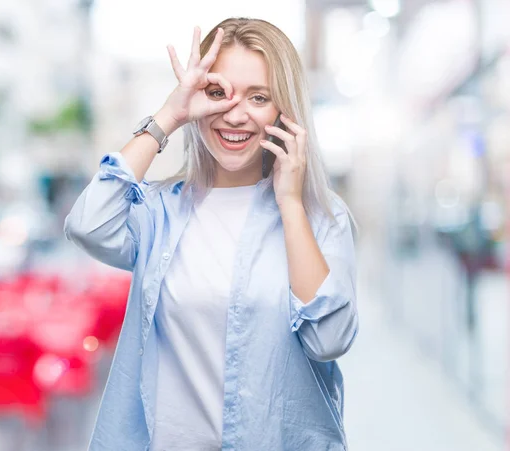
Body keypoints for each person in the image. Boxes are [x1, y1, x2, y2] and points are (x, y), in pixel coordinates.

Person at [65, 17, 358, 451]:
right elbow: (88, 225)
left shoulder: (320, 216)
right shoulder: (160, 210)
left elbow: (329, 341)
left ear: (285, 111)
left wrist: (291, 203)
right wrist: (168, 116)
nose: (234, 114)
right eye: (217, 93)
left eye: (259, 97)